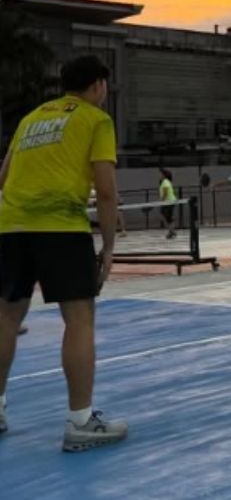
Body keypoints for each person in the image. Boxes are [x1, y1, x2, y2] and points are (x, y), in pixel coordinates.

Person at [0, 55, 128, 451]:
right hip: (61, 227)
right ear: (99, 85)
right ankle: (80, 422)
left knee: (6, 316)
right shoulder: (95, 119)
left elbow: (3, 177)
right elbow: (105, 190)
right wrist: (108, 246)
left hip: (9, 226)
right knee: (79, 318)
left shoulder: (31, 118)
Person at [158, 168, 177, 240]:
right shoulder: (164, 181)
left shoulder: (165, 181)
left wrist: (161, 200)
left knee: (167, 217)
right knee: (164, 215)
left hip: (169, 201)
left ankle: (171, 231)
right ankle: (172, 230)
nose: (159, 175)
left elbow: (165, 192)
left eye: (160, 174)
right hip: (168, 202)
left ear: (164, 175)